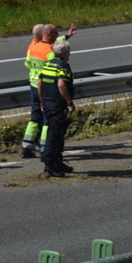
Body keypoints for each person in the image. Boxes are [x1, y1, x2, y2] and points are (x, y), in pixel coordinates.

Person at [21, 23, 76, 158]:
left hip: (34, 85)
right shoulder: (50, 53)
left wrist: (67, 35)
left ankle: (27, 145)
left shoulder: (34, 47)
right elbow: (56, 71)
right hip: (47, 88)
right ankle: (46, 146)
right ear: (50, 34)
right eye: (56, 33)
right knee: (47, 119)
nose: (58, 36)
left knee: (34, 117)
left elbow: (28, 63)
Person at [37, 39, 75, 178]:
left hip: (47, 103)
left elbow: (39, 83)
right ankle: (50, 165)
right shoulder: (63, 66)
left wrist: (42, 101)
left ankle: (58, 162)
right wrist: (69, 102)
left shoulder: (47, 64)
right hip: (57, 104)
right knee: (54, 135)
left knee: (57, 133)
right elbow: (61, 85)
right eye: (69, 51)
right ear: (65, 53)